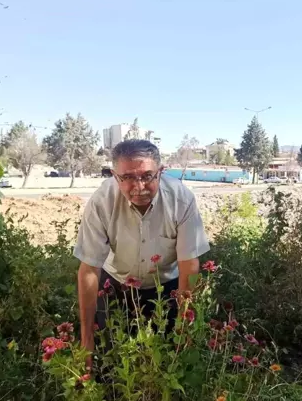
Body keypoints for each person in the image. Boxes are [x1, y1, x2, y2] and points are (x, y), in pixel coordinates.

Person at [73, 139, 210, 369]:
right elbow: (89, 269)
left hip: (167, 288)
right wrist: (86, 341)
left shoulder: (181, 199)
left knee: (168, 359)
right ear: (115, 176)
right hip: (116, 285)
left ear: (161, 172)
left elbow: (189, 265)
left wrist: (184, 327)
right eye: (127, 178)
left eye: (147, 176)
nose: (139, 187)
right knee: (111, 359)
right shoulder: (101, 202)